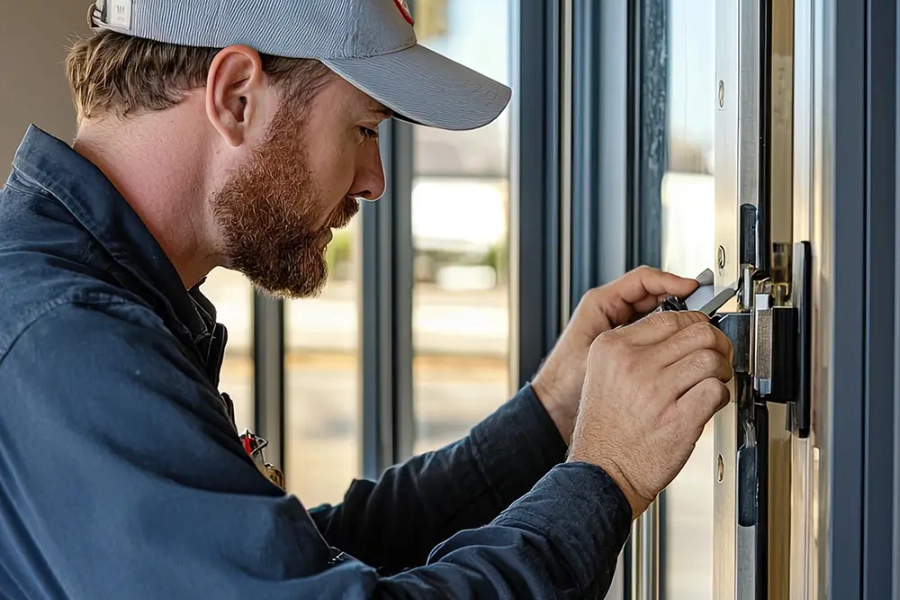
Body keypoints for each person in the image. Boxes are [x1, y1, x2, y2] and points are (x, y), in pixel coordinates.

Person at [0, 1, 734, 598]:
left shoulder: (81, 309)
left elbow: (304, 560)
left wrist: (553, 413)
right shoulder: (69, 341)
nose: (373, 180)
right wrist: (607, 477)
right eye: (362, 129)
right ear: (236, 97)